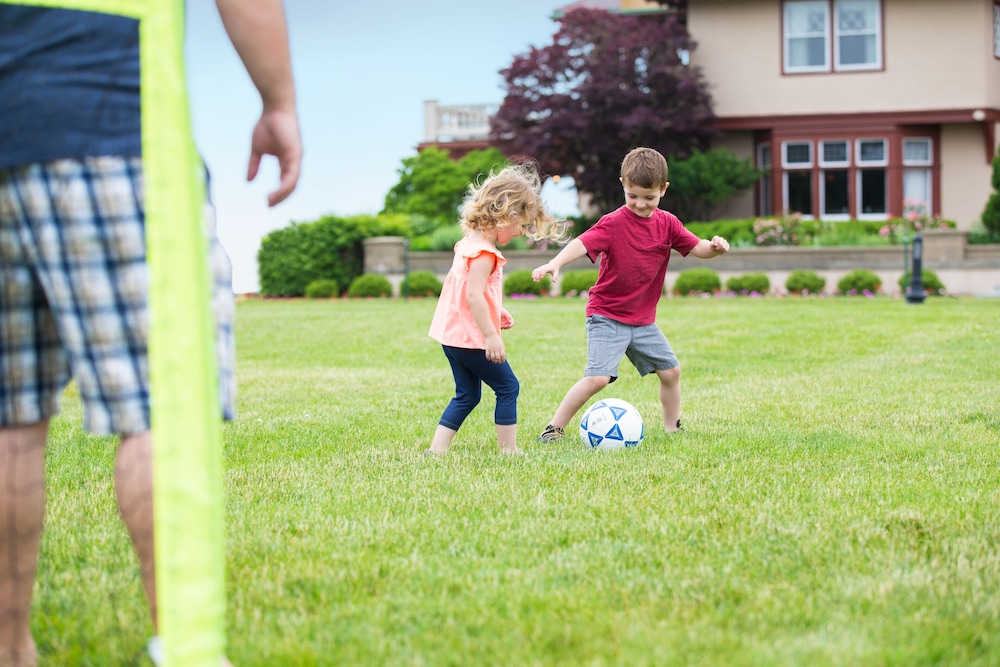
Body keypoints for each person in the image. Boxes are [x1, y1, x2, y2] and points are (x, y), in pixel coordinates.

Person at [0, 0, 301, 665]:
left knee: (9, 420)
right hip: (102, 117)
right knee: (162, 402)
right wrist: (277, 99)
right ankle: (189, 650)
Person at [531, 147, 729, 442]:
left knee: (671, 371)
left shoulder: (668, 224)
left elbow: (696, 247)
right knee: (598, 378)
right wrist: (555, 262)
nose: (640, 204)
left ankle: (673, 428)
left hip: (643, 321)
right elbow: (583, 243)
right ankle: (554, 428)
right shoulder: (613, 223)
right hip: (607, 315)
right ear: (623, 185)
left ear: (663, 190)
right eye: (632, 196)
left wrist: (714, 248)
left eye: (649, 197)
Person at [427, 164, 566, 456]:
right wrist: (491, 336)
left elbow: (467, 294)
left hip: (451, 338)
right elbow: (474, 296)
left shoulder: (468, 244)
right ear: (506, 215)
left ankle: (436, 451)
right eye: (521, 225)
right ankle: (508, 450)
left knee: (467, 395)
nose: (521, 233)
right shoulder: (485, 254)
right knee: (508, 387)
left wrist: (497, 312)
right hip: (472, 340)